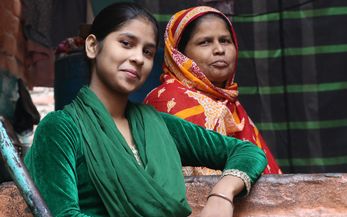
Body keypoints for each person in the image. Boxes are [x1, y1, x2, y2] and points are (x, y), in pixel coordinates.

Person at [24, 3, 267, 217]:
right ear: (92, 46)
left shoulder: (158, 124)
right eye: (126, 43)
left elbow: (247, 152)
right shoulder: (60, 129)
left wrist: (222, 195)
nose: (138, 58)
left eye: (148, 51)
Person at [145, 6, 282, 175]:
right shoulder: (167, 99)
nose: (219, 50)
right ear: (178, 53)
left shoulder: (229, 102)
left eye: (225, 40)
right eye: (205, 42)